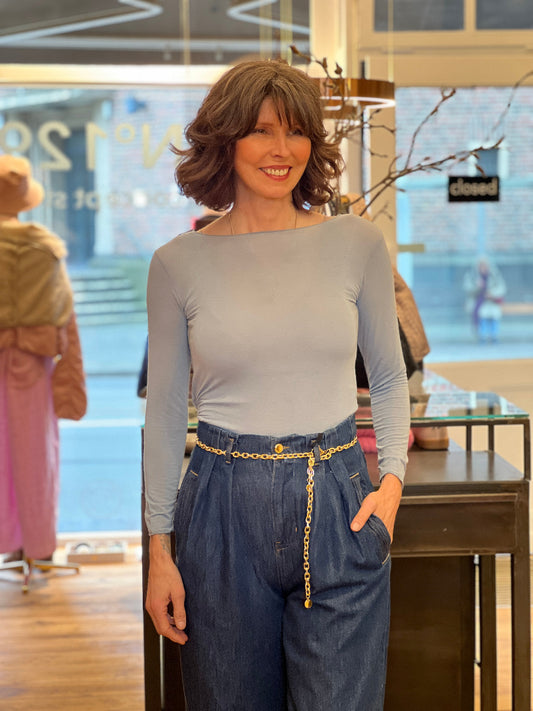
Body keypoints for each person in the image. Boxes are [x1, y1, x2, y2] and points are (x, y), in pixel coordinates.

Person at [144, 59, 410, 711]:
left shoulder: (356, 243)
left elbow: (386, 373)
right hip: (220, 504)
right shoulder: (177, 263)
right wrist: (159, 549)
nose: (281, 149)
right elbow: (165, 411)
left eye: (295, 131)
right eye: (261, 131)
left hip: (340, 499)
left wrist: (392, 483)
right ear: (225, 139)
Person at [0, 154, 86, 563]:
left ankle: (11, 544)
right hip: (33, 362)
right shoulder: (45, 246)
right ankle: (38, 548)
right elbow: (65, 314)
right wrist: (72, 377)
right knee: (37, 455)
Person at [463, 255, 506, 343]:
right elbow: (467, 289)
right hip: (478, 302)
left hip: (492, 302)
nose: (483, 268)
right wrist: (477, 286)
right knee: (482, 318)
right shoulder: (472, 276)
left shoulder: (495, 275)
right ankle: (482, 336)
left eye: (485, 266)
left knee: (494, 318)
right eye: (481, 266)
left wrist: (492, 294)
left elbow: (501, 288)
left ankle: (494, 336)